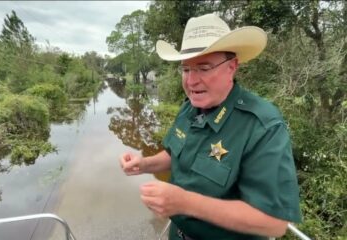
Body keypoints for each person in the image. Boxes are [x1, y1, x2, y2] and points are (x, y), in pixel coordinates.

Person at [119, 13, 301, 240]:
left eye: (203, 68)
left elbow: (273, 224)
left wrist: (184, 203)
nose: (191, 81)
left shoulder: (262, 126)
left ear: (232, 67)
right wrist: (144, 164)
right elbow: (175, 152)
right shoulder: (190, 107)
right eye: (186, 69)